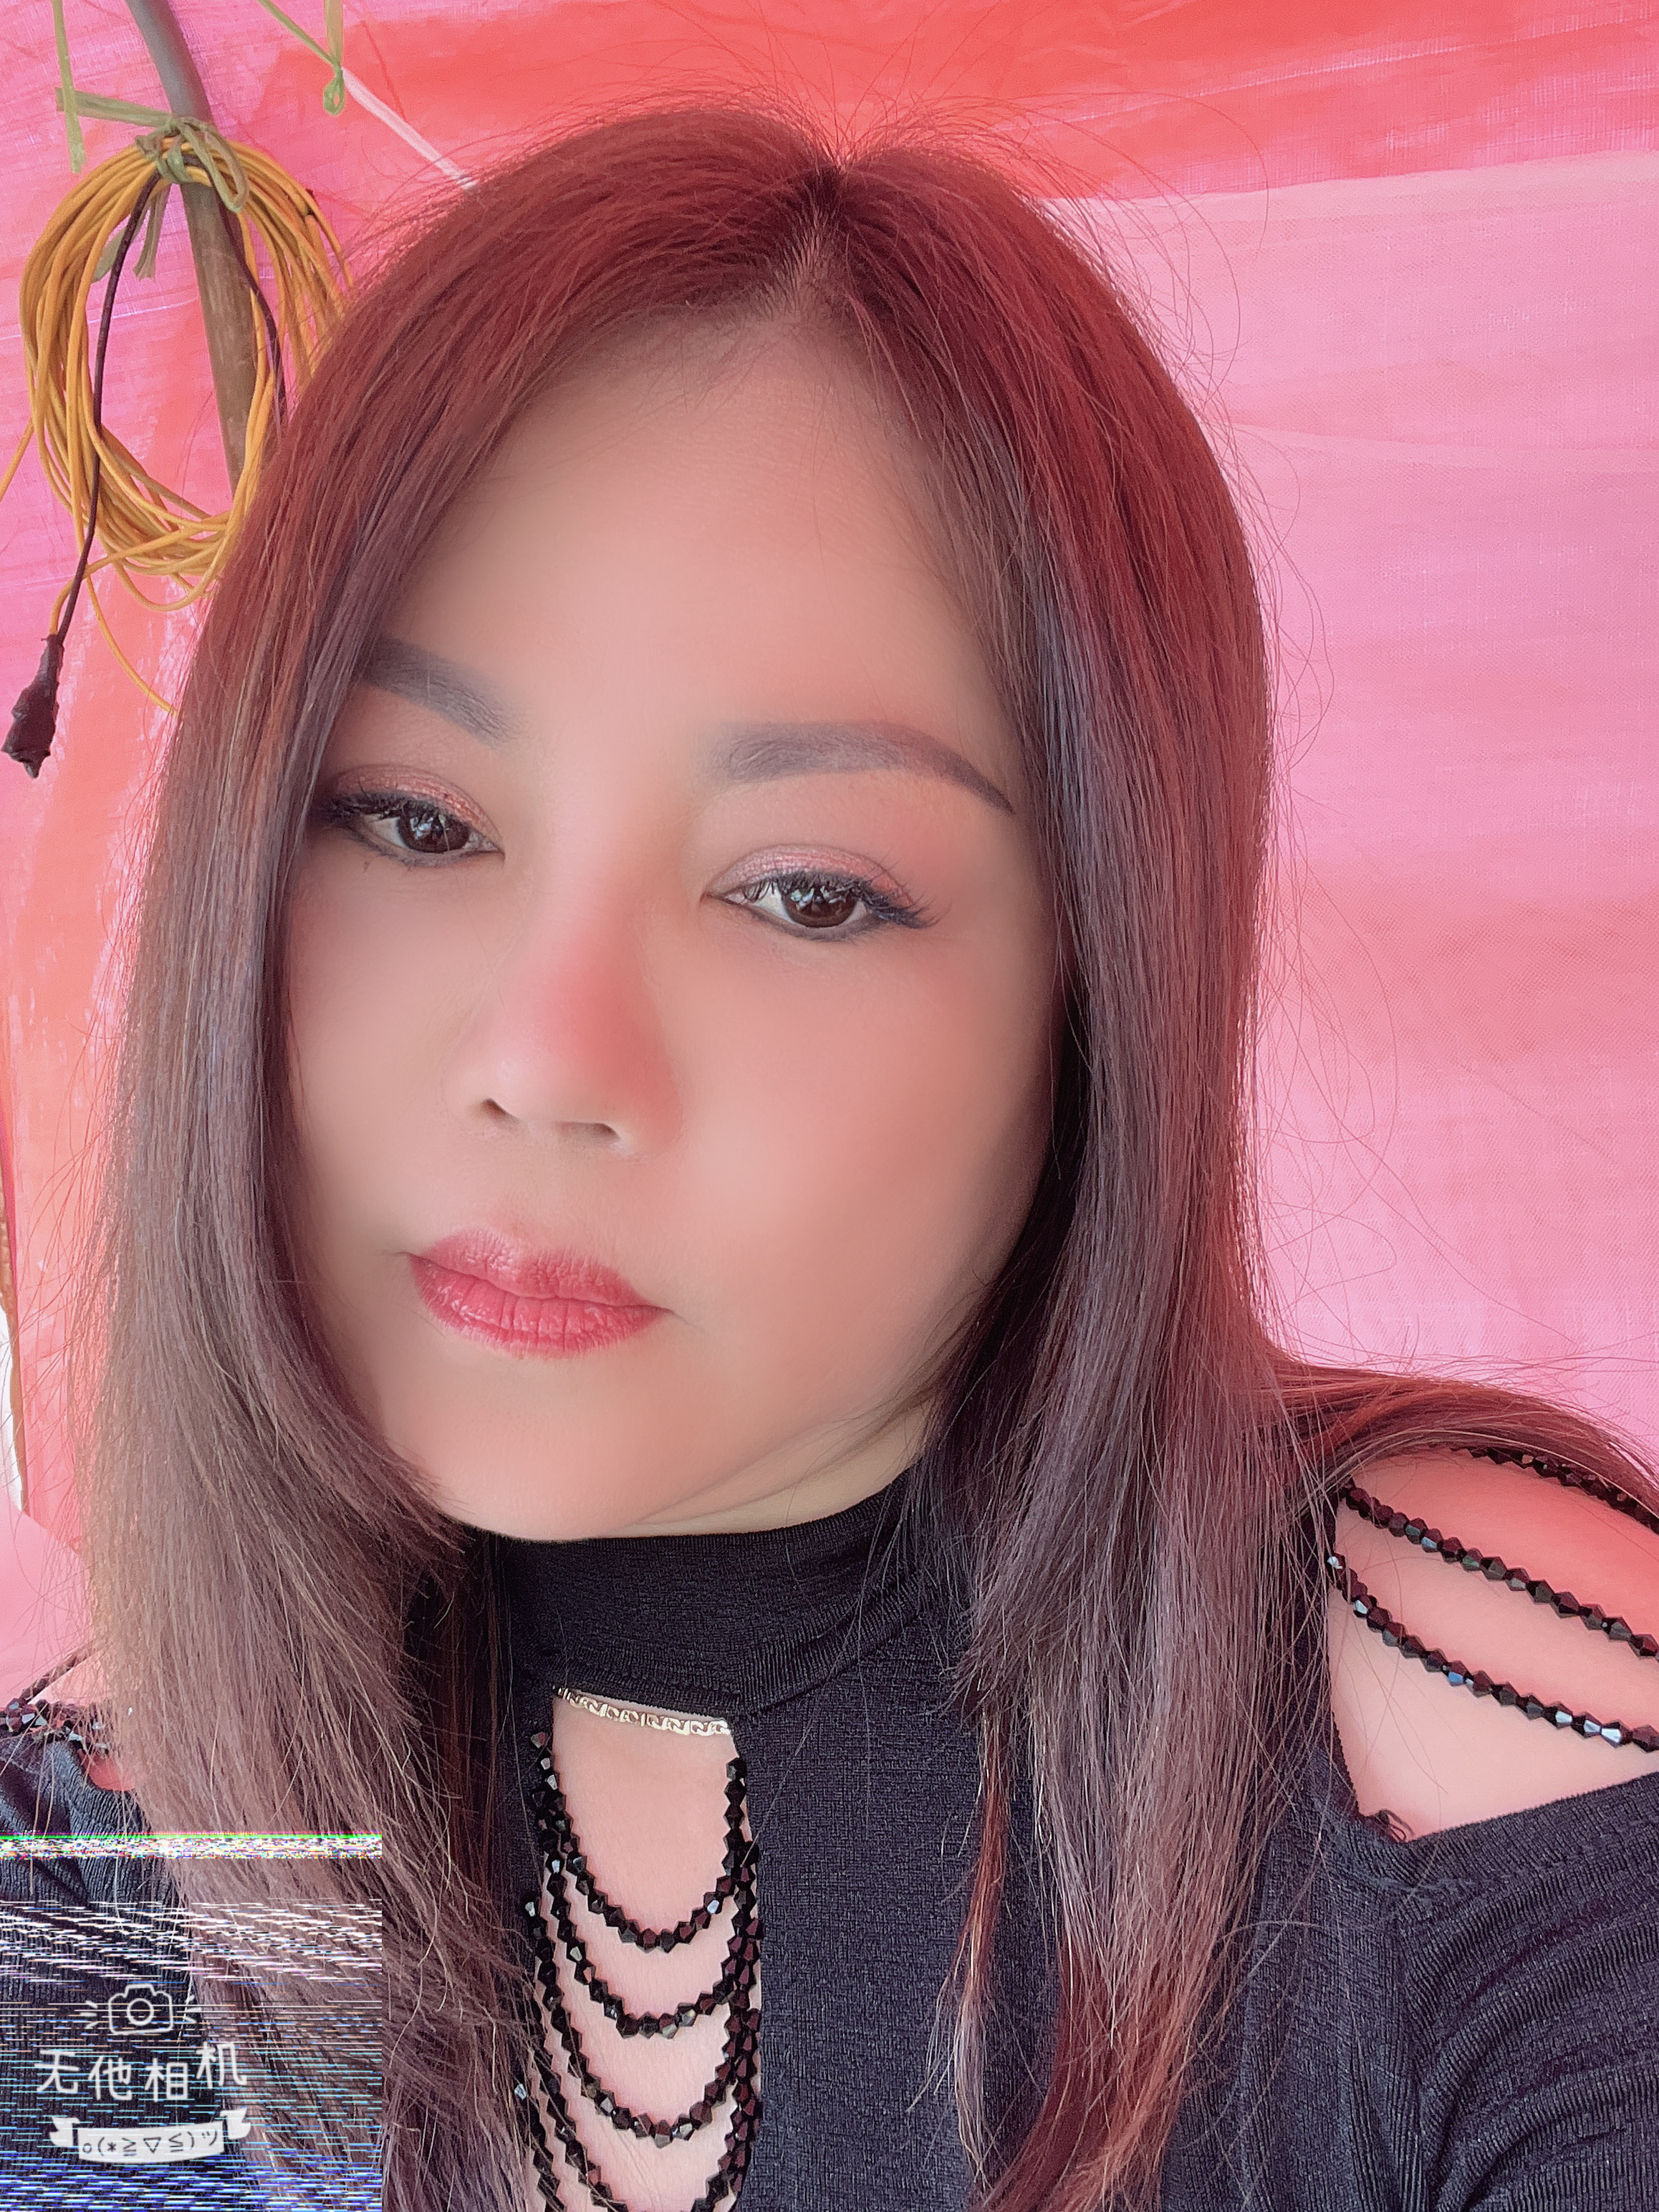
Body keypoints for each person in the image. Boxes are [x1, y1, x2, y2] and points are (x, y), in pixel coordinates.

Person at [2, 104, 1656, 2212]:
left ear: (1089, 981)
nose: (547, 1061)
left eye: (805, 893)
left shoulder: (1441, 1734)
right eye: (414, 821)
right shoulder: (127, 1875)